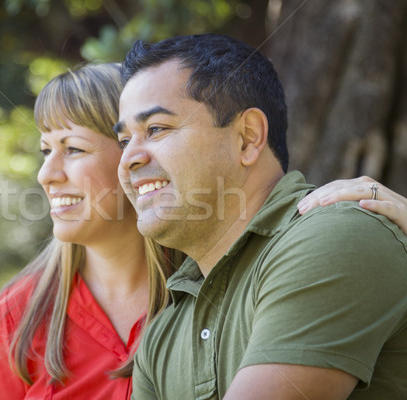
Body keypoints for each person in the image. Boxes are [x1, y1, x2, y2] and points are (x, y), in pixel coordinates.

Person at [115, 34, 407, 399]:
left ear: (248, 138)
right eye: (124, 141)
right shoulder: (163, 335)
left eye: (156, 128)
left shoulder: (335, 234)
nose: (128, 159)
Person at [0, 63, 185, 400]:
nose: (46, 174)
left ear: (134, 157)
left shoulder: (212, 287)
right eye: (46, 150)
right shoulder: (16, 312)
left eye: (72, 148)